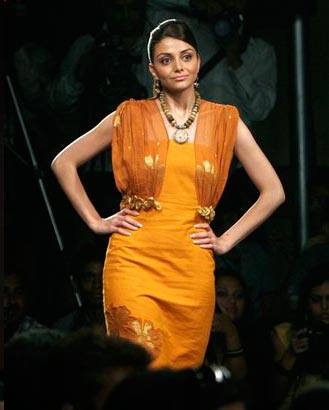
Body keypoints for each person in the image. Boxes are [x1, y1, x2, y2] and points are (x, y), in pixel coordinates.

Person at [51, 19, 285, 369]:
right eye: (166, 59)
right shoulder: (129, 115)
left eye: (186, 56)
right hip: (133, 261)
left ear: (199, 61)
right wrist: (96, 221)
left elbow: (274, 191)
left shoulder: (226, 121)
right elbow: (63, 162)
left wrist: (225, 241)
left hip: (191, 265)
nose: (178, 66)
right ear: (152, 70)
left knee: (182, 377)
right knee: (136, 369)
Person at [134, 0, 277, 127]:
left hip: (230, 148)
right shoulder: (189, 31)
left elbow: (260, 111)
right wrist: (194, 3)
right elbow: (150, 6)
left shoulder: (260, 51)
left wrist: (236, 62)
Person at [206, 270, 275, 409]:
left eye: (238, 296)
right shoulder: (197, 334)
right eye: (222, 294)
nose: (232, 301)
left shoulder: (258, 335)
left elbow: (241, 379)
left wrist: (231, 333)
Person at [271, 264, 329, 409]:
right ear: (306, 302)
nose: (325, 307)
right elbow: (272, 395)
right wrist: (291, 354)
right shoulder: (285, 333)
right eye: (316, 299)